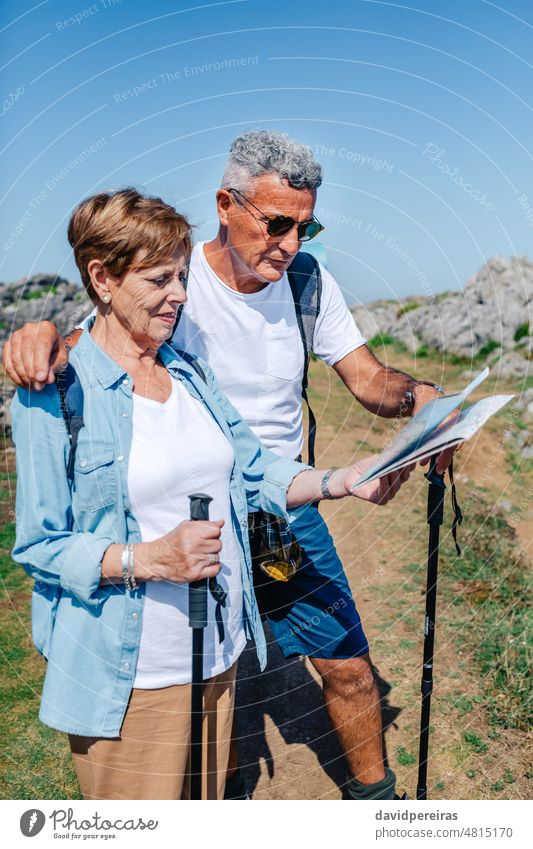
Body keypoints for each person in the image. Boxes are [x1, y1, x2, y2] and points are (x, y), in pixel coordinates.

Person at [4, 132, 455, 801]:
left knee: (342, 666)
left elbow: (357, 383)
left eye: (306, 226)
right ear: (225, 203)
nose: (291, 243)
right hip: (184, 534)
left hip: (282, 504)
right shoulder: (159, 303)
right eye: (277, 223)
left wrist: (415, 404)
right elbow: (88, 347)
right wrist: (34, 337)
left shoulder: (294, 289)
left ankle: (375, 808)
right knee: (218, 692)